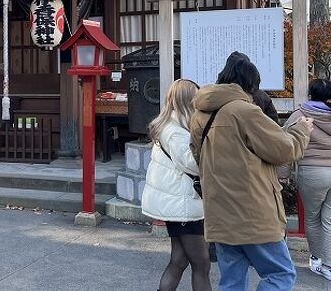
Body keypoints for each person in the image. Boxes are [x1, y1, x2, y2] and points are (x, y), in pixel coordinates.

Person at [190, 54, 313, 291]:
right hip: (253, 213)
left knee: (232, 281)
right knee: (281, 274)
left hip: (220, 212)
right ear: (250, 84)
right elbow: (284, 150)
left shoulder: (199, 115)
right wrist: (301, 129)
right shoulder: (245, 111)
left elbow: (198, 156)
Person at [142, 79, 211, 291]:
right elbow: (194, 164)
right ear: (188, 101)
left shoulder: (171, 126)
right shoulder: (175, 132)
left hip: (179, 204)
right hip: (183, 206)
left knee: (180, 260)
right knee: (202, 263)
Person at [283, 78, 331, 280]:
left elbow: (284, 145)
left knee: (312, 217)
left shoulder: (299, 115)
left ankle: (317, 259)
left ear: (310, 94)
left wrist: (282, 176)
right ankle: (329, 265)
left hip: (312, 172)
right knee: (329, 219)